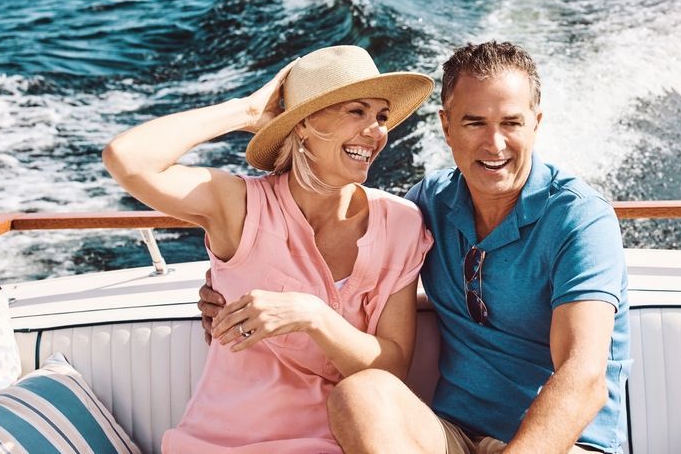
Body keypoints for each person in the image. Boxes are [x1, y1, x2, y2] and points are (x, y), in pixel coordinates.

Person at [203, 41, 630, 453]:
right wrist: (233, 289)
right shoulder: (427, 204)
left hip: (561, 444)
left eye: (512, 123)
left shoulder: (580, 219)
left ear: (537, 123)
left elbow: (583, 374)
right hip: (451, 437)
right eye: (474, 122)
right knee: (362, 395)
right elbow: (368, 271)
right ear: (446, 126)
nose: (495, 144)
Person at [104, 45, 435, 454]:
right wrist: (244, 112)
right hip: (220, 445)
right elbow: (126, 158)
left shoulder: (400, 222)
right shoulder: (239, 206)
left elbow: (391, 368)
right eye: (357, 112)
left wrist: (312, 315)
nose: (377, 131)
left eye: (381, 116)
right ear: (304, 124)